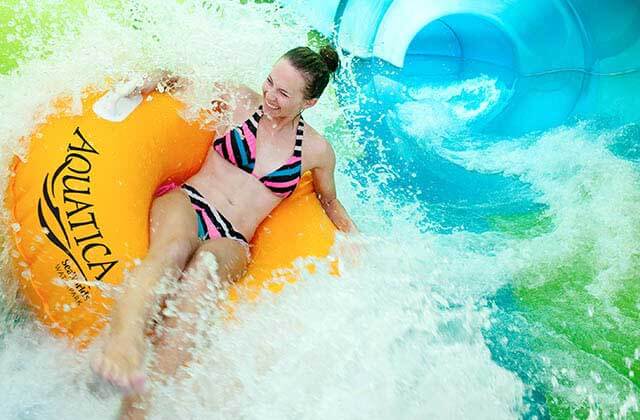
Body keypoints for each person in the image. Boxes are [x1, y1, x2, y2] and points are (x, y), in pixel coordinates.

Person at [91, 45, 358, 418]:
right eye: (270, 82)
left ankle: (139, 405)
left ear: (309, 102)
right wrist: (142, 82)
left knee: (204, 273)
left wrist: (354, 238)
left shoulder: (317, 150)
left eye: (284, 93)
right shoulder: (240, 101)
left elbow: (330, 202)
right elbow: (180, 78)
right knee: (173, 248)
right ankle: (124, 343)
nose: (270, 95)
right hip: (190, 202)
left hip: (232, 238)